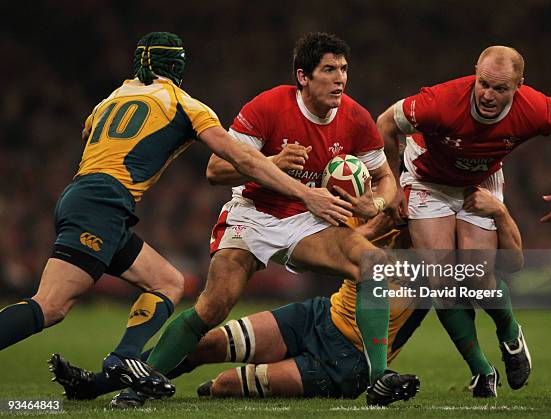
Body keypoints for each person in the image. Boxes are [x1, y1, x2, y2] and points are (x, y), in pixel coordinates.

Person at [0, 32, 351, 396]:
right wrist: (304, 193)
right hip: (102, 204)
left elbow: (93, 132)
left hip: (85, 196)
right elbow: (238, 158)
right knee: (52, 305)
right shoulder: (185, 104)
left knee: (169, 281)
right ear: (179, 67)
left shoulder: (109, 100)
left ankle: (123, 358)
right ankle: (122, 361)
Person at [108, 32, 399, 408]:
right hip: (255, 215)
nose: (340, 78)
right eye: (328, 70)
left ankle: (379, 379)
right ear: (303, 76)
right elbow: (216, 170)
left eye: (343, 69)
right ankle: (137, 389)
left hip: (307, 219)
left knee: (372, 266)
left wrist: (374, 205)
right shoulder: (269, 106)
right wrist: (274, 163)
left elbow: (386, 178)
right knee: (214, 306)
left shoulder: (355, 118)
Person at [50, 187, 523, 402]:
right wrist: (382, 214)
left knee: (226, 384)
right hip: (316, 316)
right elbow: (367, 226)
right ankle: (100, 384)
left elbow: (472, 297)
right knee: (203, 343)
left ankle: (200, 389)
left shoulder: (439, 262)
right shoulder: (384, 229)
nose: (415, 212)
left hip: (347, 361)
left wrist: (485, 366)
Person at [376, 46, 551, 393]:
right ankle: (483, 370)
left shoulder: (536, 108)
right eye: (483, 84)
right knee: (439, 280)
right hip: (427, 180)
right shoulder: (440, 101)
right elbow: (385, 123)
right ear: (475, 74)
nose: (488, 95)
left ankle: (510, 334)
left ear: (519, 86)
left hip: (479, 182)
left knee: (477, 278)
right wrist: (391, 186)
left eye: (500, 89)